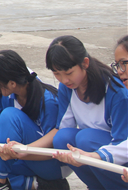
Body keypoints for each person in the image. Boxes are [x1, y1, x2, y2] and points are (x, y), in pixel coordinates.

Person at [0, 51, 66, 190]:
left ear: (12, 83)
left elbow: (53, 146)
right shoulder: (9, 97)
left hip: (49, 162)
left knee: (10, 114)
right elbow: (3, 137)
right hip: (21, 155)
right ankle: (38, 184)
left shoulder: (48, 101)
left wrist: (24, 151)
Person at [47, 36, 128, 190]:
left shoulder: (116, 92)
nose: (64, 80)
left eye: (69, 73)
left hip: (117, 154)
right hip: (101, 152)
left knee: (85, 138)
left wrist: (94, 156)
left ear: (85, 63)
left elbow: (123, 142)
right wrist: (23, 148)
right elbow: (62, 130)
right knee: (63, 139)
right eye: (57, 74)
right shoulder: (68, 88)